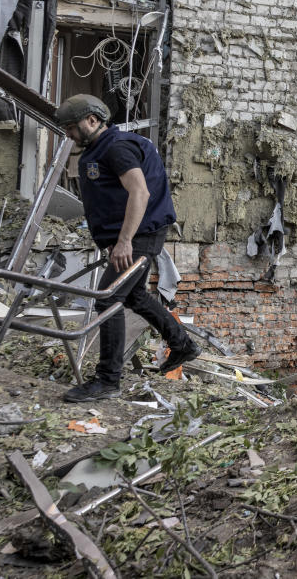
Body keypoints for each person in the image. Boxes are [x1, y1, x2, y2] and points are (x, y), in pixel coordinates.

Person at [55, 94, 199, 402]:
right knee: (133, 296)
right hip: (134, 236)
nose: (68, 134)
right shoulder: (102, 148)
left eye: (70, 127)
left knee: (108, 299)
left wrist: (124, 242)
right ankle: (182, 343)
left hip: (139, 237)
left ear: (91, 121)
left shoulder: (117, 148)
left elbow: (140, 192)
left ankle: (108, 380)